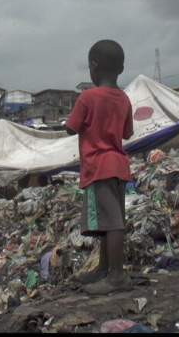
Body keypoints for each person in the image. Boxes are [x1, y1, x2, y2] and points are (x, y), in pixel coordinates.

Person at [65, 39, 135, 295]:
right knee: (109, 221)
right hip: (118, 164)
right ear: (121, 68)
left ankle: (116, 276)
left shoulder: (87, 97)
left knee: (113, 223)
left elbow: (70, 126)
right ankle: (105, 269)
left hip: (98, 165)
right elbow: (127, 133)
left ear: (93, 66)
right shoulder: (124, 99)